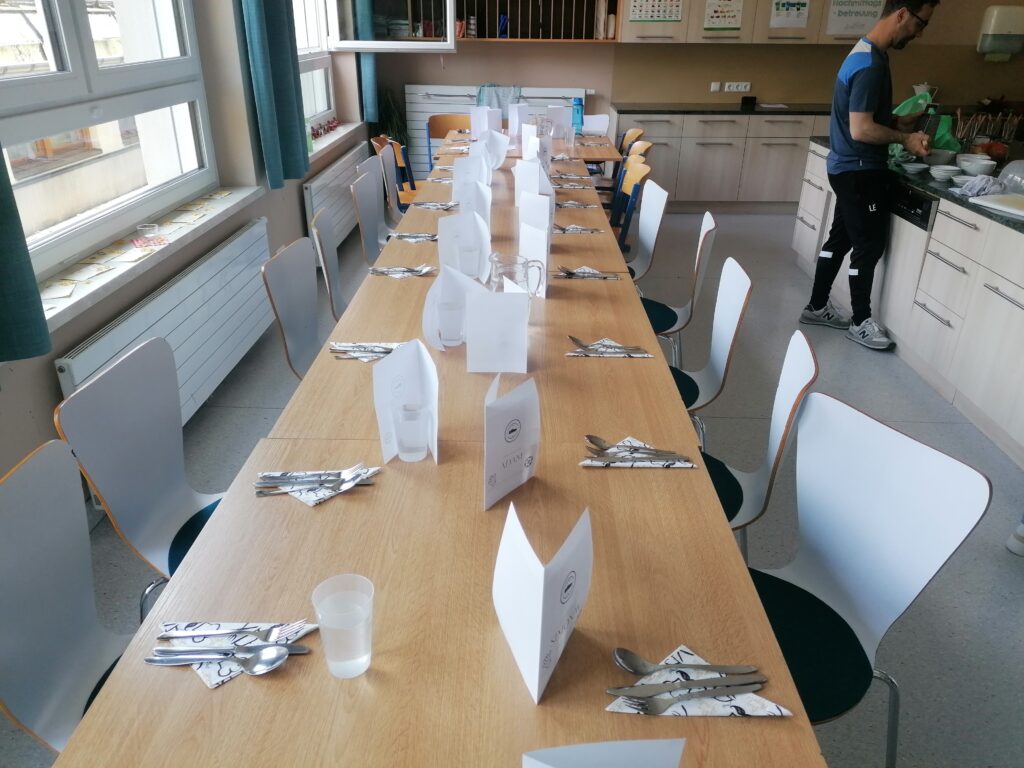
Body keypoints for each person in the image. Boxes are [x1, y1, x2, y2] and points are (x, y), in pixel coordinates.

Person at [799, 0, 936, 350]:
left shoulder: (865, 52)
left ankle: (816, 306)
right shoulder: (871, 65)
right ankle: (860, 321)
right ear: (902, 14)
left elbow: (861, 116)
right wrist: (905, 138)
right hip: (860, 171)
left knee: (840, 239)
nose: (919, 33)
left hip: (845, 167)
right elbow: (860, 129)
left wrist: (897, 122)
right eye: (920, 23)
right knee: (868, 245)